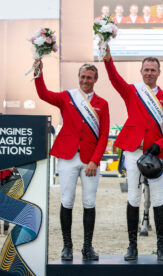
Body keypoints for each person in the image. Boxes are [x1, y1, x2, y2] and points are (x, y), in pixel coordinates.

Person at [103, 46, 163, 262]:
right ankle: (132, 245)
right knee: (133, 197)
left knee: (157, 198)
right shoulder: (132, 91)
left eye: (153, 70)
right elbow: (115, 79)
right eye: (146, 69)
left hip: (155, 154)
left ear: (159, 72)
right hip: (134, 150)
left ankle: (161, 246)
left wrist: (160, 144)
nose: (149, 73)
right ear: (141, 71)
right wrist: (108, 58)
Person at [33, 60, 110, 261]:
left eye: (89, 77)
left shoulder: (103, 104)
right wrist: (38, 73)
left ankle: (87, 247)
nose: (85, 80)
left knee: (89, 202)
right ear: (79, 77)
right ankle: (67, 246)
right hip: (68, 156)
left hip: (89, 160)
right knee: (66, 201)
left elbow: (103, 135)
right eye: (83, 77)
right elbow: (44, 94)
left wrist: (95, 160)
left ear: (95, 80)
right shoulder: (68, 97)